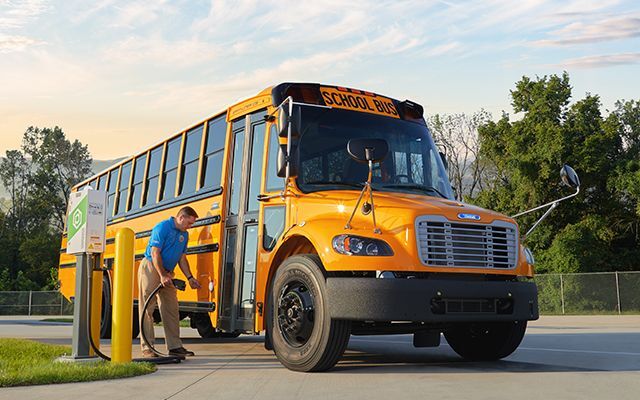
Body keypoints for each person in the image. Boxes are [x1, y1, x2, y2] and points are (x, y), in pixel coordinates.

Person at [139, 206, 201, 358]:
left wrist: (190, 278)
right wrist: (162, 275)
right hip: (151, 268)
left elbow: (182, 258)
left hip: (167, 272)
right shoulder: (163, 227)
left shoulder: (184, 235)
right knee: (147, 308)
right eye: (189, 223)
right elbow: (155, 253)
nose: (190, 226)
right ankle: (147, 347)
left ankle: (174, 346)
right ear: (181, 218)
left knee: (171, 309)